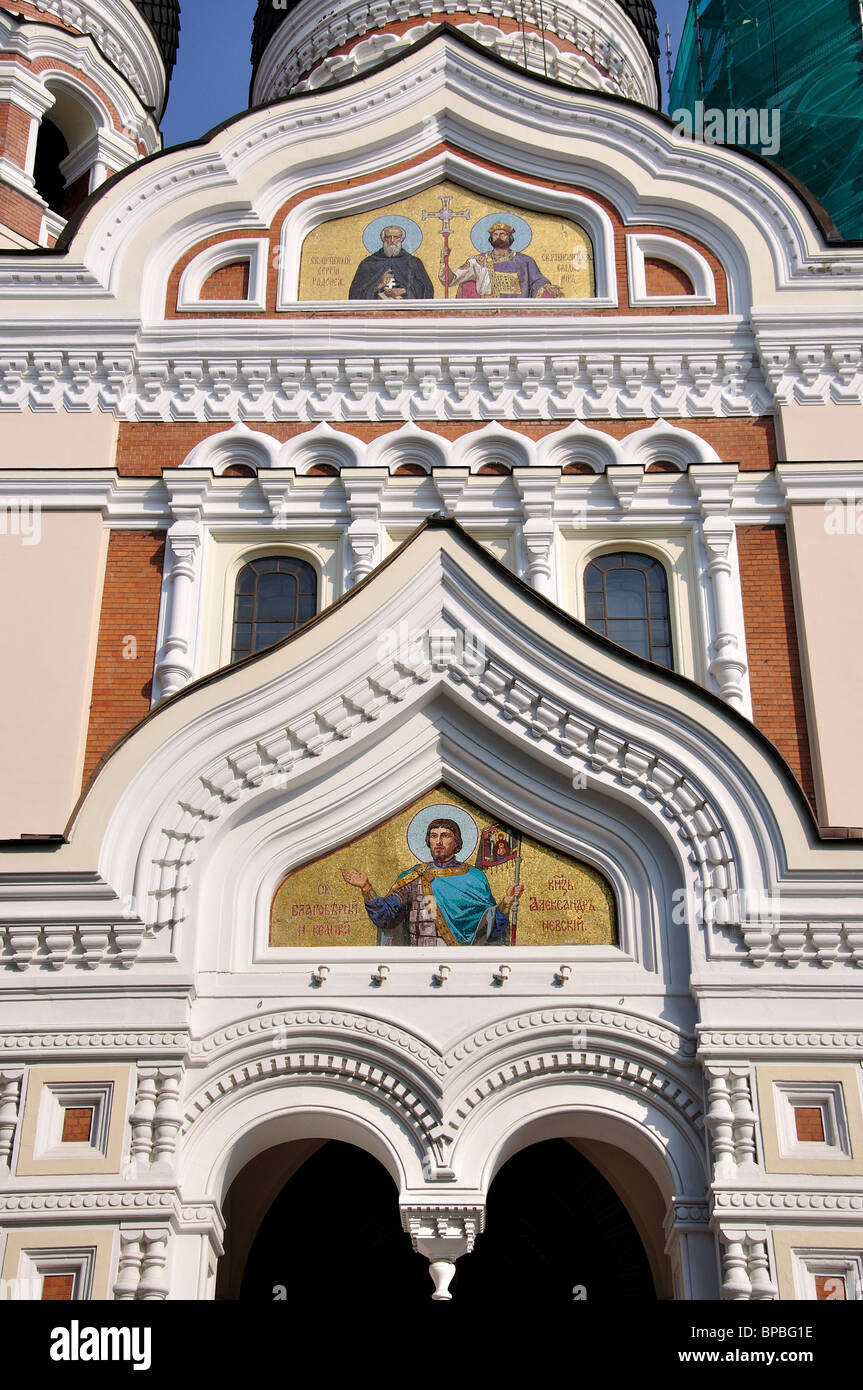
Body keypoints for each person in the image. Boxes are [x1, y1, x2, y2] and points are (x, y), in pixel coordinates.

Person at [340, 817, 524, 946]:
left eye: (445, 835)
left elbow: (489, 926)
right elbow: (387, 917)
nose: (438, 841)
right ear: (428, 841)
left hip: (459, 959)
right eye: (434, 836)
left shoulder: (473, 877)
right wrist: (366, 888)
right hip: (418, 960)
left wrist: (506, 904)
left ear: (456, 841)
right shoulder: (414, 876)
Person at [441, 221, 563, 298]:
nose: (498, 236)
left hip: (517, 312)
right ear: (491, 239)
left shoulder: (525, 261)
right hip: (487, 312)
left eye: (502, 234)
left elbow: (537, 281)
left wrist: (546, 287)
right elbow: (451, 280)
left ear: (510, 238)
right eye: (495, 234)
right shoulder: (478, 262)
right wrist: (444, 262)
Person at [348, 225, 435, 300]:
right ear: (383, 239)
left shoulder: (413, 262)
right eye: (388, 237)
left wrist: (404, 291)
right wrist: (379, 285)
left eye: (396, 237)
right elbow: (355, 294)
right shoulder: (368, 263)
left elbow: (426, 289)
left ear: (401, 239)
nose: (392, 240)